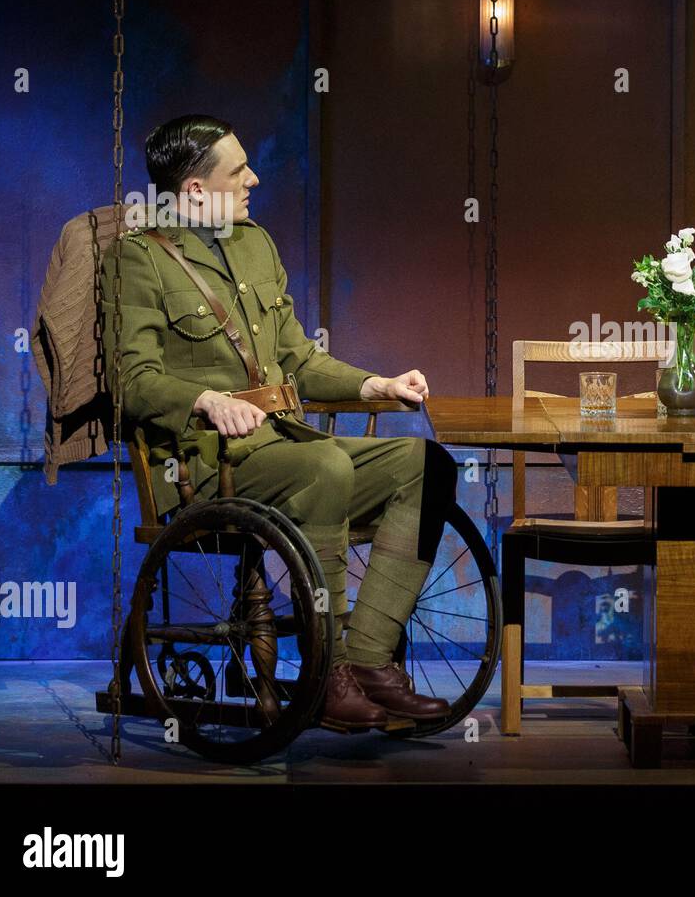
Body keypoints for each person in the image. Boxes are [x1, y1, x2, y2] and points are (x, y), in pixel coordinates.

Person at [101, 114, 457, 730]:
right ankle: (327, 671)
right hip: (202, 466)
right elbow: (133, 382)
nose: (254, 179)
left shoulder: (254, 245)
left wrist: (374, 384)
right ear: (192, 190)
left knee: (426, 465)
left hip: (278, 448)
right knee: (325, 465)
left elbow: (298, 358)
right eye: (237, 171)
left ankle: (369, 660)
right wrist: (208, 399)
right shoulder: (141, 260)